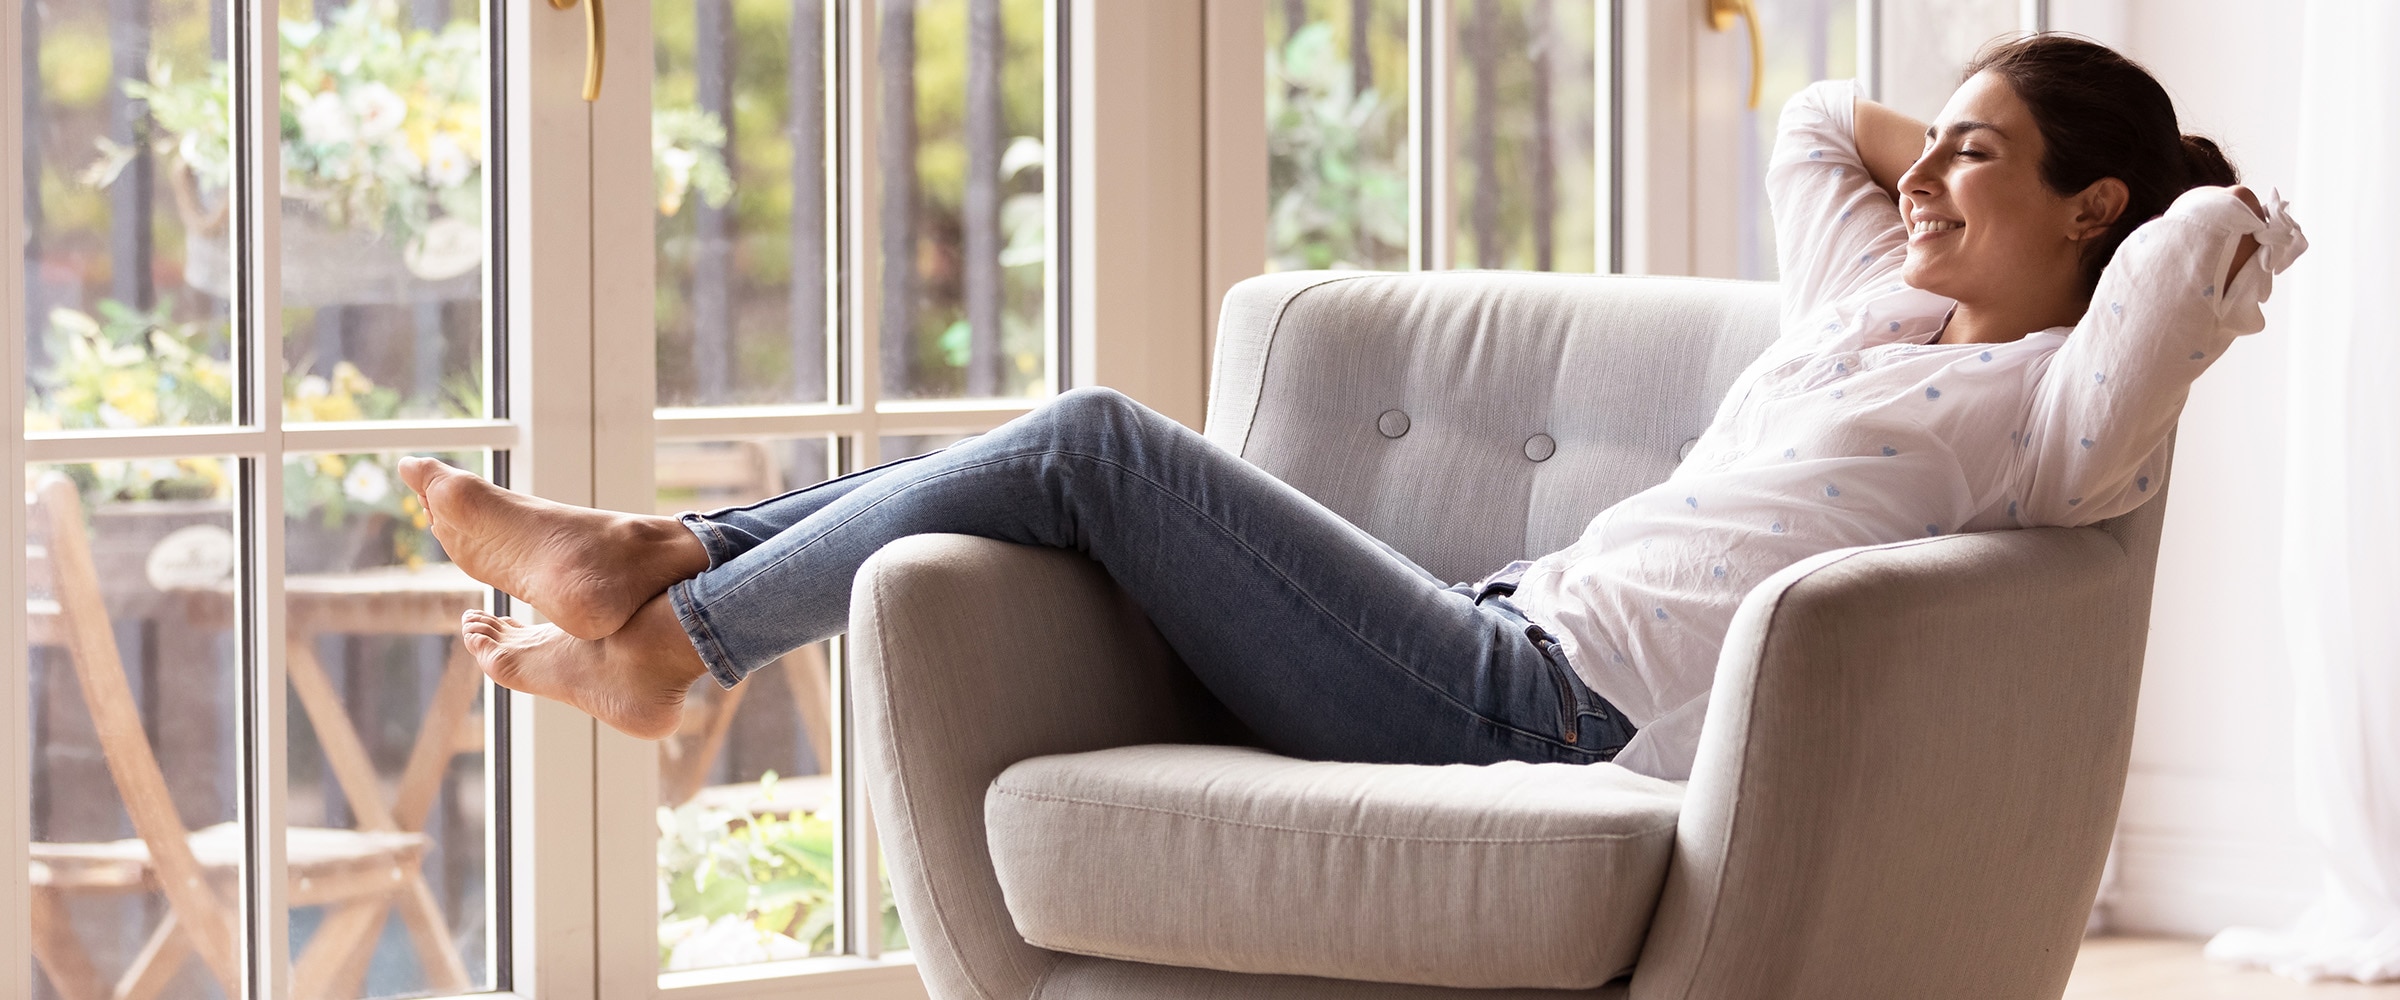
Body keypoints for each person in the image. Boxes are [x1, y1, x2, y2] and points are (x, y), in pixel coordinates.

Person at [399, 33, 2303, 782]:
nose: (1923, 179)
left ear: (2094, 213)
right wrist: (1974, 158)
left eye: (1982, 162)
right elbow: (1817, 117)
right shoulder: (1867, 314)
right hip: (1491, 635)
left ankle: (676, 617)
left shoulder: (2058, 413)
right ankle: (662, 581)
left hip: (1541, 715)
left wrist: (2109, 187)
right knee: (1060, 488)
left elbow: (2217, 238)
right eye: (1938, 148)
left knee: (1092, 442)